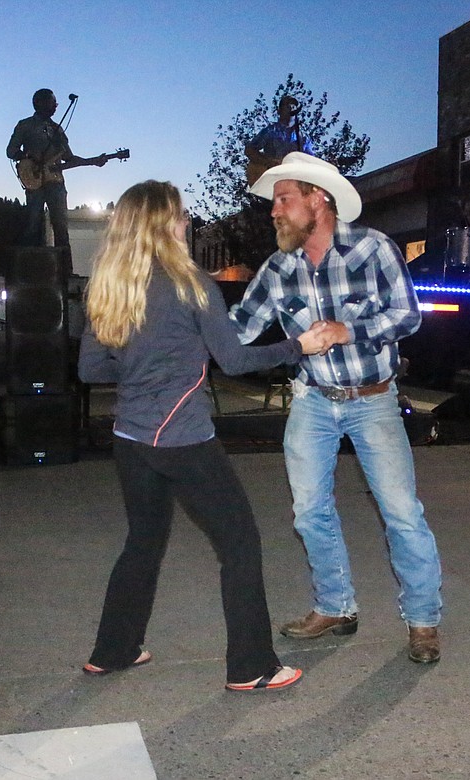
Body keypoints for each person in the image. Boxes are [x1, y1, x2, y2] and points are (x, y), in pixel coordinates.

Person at [78, 180, 330, 691]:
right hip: (183, 437)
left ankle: (113, 650)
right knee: (239, 543)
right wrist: (298, 345)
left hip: (130, 437)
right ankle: (253, 666)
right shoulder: (190, 282)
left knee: (143, 542)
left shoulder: (107, 285)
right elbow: (234, 360)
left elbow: (89, 369)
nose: (187, 222)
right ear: (163, 224)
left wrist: (139, 370)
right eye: (180, 215)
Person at [230, 152, 444, 664]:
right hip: (313, 400)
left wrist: (350, 330)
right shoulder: (279, 268)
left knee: (401, 513)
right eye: (274, 202)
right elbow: (238, 328)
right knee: (309, 511)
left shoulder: (373, 249)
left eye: (284, 199)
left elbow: (408, 316)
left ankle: (423, 621)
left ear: (317, 200)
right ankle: (335, 607)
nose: (274, 211)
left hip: (374, 400)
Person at [6, 88, 108, 250]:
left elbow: (69, 158)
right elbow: (11, 151)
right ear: (39, 103)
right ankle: (29, 267)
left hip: (56, 182)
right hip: (35, 181)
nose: (56, 106)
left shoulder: (58, 130)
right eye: (53, 102)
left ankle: (65, 269)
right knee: (32, 224)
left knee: (61, 225)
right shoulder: (25, 125)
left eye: (56, 103)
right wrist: (29, 158)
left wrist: (93, 161)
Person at [244, 95, 315, 185]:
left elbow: (311, 161)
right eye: (287, 105)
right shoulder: (270, 131)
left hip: (292, 182)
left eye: (294, 105)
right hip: (272, 181)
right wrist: (267, 162)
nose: (291, 107)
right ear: (279, 111)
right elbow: (249, 150)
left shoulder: (304, 138)